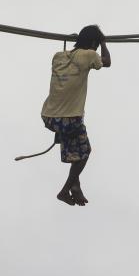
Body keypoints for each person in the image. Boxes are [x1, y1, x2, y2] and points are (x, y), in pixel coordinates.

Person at [40, 25, 111, 206]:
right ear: (93, 43)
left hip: (49, 117)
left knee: (74, 147)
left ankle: (76, 185)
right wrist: (103, 42)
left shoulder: (58, 56)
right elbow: (107, 62)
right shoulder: (89, 56)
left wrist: (79, 43)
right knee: (84, 152)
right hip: (70, 119)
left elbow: (72, 60)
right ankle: (65, 190)